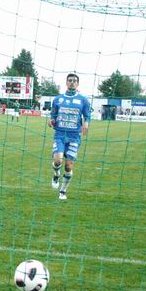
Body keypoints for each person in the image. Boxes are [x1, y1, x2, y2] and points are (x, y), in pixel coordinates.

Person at [49, 73, 91, 201]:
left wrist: (86, 124)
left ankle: (63, 191)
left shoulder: (83, 100)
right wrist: (51, 121)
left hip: (74, 137)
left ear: (77, 84)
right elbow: (53, 115)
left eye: (74, 81)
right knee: (58, 161)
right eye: (70, 80)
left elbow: (87, 115)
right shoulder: (57, 99)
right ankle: (56, 175)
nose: (72, 82)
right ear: (66, 83)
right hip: (60, 135)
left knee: (68, 166)